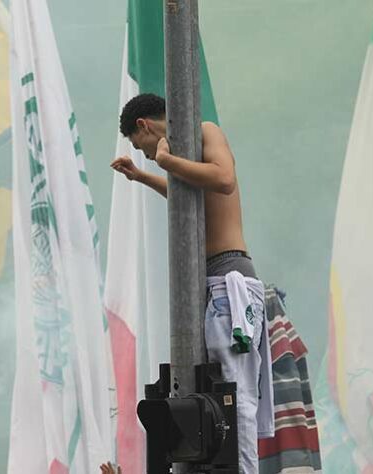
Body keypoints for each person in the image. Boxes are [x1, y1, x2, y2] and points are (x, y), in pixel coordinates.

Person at [110, 93, 273, 473]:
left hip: (227, 279)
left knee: (236, 397)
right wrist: (146, 177)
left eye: (140, 148)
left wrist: (165, 161)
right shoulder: (176, 161)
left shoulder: (206, 132)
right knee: (209, 397)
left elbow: (223, 180)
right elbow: (189, 197)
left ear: (144, 126)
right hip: (209, 287)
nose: (146, 155)